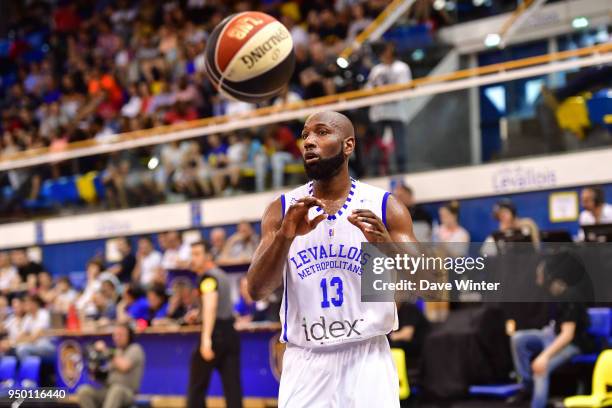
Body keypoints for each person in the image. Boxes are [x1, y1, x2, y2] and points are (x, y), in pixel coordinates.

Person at [247, 111, 417, 407]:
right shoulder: (282, 210)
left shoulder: (385, 206)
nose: (309, 141)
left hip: (368, 357)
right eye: (305, 135)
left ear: (348, 145)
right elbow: (256, 289)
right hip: (305, 360)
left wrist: (386, 247)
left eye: (322, 133)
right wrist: (286, 235)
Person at [507, 252, 594, 408]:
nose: (537, 279)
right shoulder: (553, 294)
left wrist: (544, 357)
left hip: (573, 343)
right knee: (518, 338)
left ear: (550, 276)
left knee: (541, 368)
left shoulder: (570, 296)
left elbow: (568, 335)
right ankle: (528, 385)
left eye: (540, 274)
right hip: (552, 334)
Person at [186, 241, 242, 408]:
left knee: (196, 388)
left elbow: (211, 305)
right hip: (230, 334)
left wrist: (205, 339)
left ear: (208, 256)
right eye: (192, 254)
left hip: (214, 335)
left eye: (197, 254)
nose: (193, 258)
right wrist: (198, 314)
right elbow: (219, 304)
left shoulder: (208, 277)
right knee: (233, 388)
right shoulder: (222, 275)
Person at [366, 43, 412, 173]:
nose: (385, 54)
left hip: (396, 112)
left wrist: (383, 91)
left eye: (387, 50)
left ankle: (402, 171)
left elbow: (404, 89)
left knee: (399, 145)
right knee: (377, 146)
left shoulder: (401, 67)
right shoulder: (377, 70)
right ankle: (377, 172)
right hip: (378, 113)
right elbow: (368, 89)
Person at [77, 323, 145, 408]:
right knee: (84, 391)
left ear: (129, 336)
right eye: (115, 335)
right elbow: (107, 376)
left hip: (127, 392)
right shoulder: (115, 352)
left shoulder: (135, 349)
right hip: (108, 390)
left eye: (120, 335)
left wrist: (105, 350)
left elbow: (124, 366)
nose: (117, 338)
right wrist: (96, 374)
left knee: (116, 390)